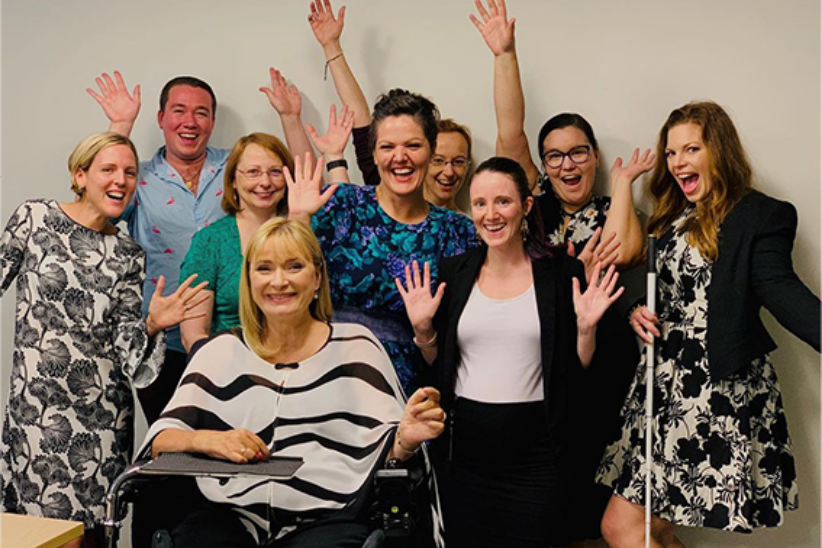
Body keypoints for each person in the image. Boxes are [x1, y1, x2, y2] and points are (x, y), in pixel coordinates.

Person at [137, 217, 446, 547]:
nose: (279, 281)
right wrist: (210, 440)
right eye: (265, 269)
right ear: (249, 280)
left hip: (328, 516)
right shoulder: (220, 350)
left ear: (317, 277)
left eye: (294, 266)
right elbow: (160, 441)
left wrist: (406, 439)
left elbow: (386, 453)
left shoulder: (356, 346)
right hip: (230, 513)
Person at [597, 101, 821, 548]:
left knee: (625, 528)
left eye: (691, 149)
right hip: (661, 390)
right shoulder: (672, 213)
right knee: (648, 528)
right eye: (672, 152)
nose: (678, 162)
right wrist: (633, 309)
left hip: (711, 392)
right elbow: (621, 266)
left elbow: (784, 294)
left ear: (718, 151)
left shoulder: (758, 215)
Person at [396, 156, 626, 547]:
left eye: (503, 201)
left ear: (527, 206)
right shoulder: (455, 272)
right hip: (464, 457)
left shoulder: (561, 274)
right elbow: (442, 367)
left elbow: (575, 372)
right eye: (480, 204)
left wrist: (586, 329)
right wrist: (423, 331)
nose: (491, 214)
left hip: (539, 457)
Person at [0, 132, 206, 547]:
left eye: (130, 172)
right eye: (108, 169)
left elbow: (131, 356)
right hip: (36, 414)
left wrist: (152, 324)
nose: (121, 180)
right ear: (81, 175)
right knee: (36, 536)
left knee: (91, 538)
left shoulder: (128, 253)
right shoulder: (34, 219)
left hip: (101, 422)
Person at [87, 69, 316, 423]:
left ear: (212, 121)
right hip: (163, 341)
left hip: (252, 345)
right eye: (179, 111)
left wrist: (291, 118)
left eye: (201, 112)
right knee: (175, 451)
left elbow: (302, 180)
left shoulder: (239, 165)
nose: (189, 121)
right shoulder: (137, 176)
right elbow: (94, 205)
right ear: (161, 118)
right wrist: (119, 125)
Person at [288, 89, 476, 394]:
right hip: (323, 370)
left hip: (408, 385)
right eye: (387, 146)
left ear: (430, 152)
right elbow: (288, 284)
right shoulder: (340, 204)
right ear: (374, 154)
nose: (399, 157)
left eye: (413, 145)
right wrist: (298, 218)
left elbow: (466, 330)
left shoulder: (457, 232)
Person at [470, 0, 652, 268]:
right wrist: (504, 56)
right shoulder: (532, 199)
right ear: (544, 165)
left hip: (591, 310)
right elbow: (510, 133)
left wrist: (623, 183)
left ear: (595, 156)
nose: (567, 164)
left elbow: (621, 256)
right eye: (554, 156)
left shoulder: (612, 210)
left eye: (578, 152)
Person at [306, 0, 474, 212]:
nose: (448, 172)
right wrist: (331, 47)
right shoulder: (386, 186)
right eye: (440, 160)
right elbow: (359, 119)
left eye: (458, 161)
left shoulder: (464, 229)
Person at [178, 133, 295, 351]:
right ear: (233, 180)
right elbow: (193, 335)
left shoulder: (304, 231)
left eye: (275, 172)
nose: (265, 182)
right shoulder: (209, 242)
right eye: (253, 172)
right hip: (228, 367)